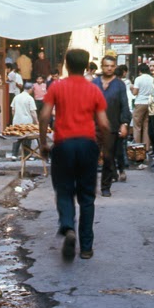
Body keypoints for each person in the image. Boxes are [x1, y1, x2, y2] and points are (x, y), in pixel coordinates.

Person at [39, 48, 109, 260]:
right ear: (87, 66)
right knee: (87, 196)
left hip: (63, 144)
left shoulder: (57, 87)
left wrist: (43, 142)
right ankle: (86, 247)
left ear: (66, 66)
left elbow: (44, 116)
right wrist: (104, 148)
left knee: (64, 189)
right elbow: (104, 123)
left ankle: (68, 226)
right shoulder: (94, 90)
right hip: (87, 144)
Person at [93, 55, 130, 195]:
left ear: (115, 67)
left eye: (112, 66)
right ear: (102, 67)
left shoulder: (119, 85)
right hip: (94, 126)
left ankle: (105, 186)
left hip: (112, 126)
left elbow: (124, 105)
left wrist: (124, 123)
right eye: (106, 65)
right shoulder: (95, 83)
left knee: (108, 158)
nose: (109, 68)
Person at [10, 81, 39, 159]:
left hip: (16, 120)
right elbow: (33, 112)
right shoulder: (30, 98)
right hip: (27, 121)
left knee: (17, 138)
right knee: (27, 139)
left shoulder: (16, 97)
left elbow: (13, 109)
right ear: (30, 89)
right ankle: (27, 155)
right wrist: (36, 121)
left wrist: (15, 117)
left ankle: (14, 155)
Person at [131, 62, 154, 153]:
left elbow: (135, 92)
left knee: (137, 126)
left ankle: (137, 147)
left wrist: (131, 88)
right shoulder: (151, 79)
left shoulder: (138, 79)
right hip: (148, 103)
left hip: (140, 102)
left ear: (140, 70)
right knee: (146, 126)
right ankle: (147, 147)